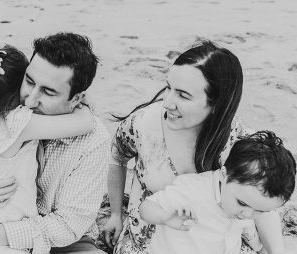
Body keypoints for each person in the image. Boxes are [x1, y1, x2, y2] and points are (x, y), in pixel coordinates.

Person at [103, 41, 286, 254]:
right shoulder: (143, 124)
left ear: (216, 104)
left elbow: (261, 202)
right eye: (168, 87)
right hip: (149, 242)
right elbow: (117, 156)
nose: (167, 103)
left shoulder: (239, 143)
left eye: (183, 95)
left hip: (218, 242)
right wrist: (115, 214)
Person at [0, 33, 110, 253]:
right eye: (29, 81)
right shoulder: (3, 113)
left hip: (60, 242)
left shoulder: (94, 142)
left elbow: (69, 225)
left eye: (48, 92)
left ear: (76, 98)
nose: (30, 100)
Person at [138, 130, 295, 254]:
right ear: (223, 175)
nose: (247, 215)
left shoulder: (247, 203)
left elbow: (250, 232)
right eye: (242, 203)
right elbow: (146, 208)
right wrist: (163, 217)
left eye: (260, 211)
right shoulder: (193, 189)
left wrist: (262, 248)